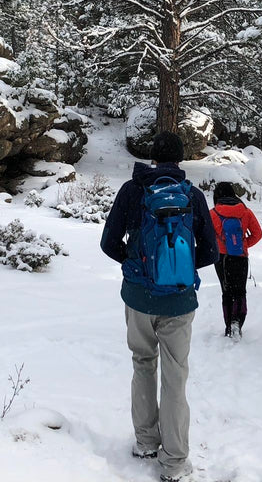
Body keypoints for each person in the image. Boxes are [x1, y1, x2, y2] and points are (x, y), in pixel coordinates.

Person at [101, 131, 218, 482]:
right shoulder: (193, 196)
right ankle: (174, 461)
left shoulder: (132, 190)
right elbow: (211, 252)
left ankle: (146, 442)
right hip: (179, 302)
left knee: (142, 364)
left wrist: (137, 266)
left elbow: (108, 243)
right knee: (175, 377)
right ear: (181, 159)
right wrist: (176, 270)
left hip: (137, 298)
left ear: (152, 156)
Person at [209, 181, 262, 340]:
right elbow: (257, 234)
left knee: (226, 291)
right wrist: (243, 244)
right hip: (240, 257)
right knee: (240, 291)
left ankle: (228, 325)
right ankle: (237, 322)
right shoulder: (245, 211)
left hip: (221, 258)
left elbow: (206, 236)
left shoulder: (213, 213)